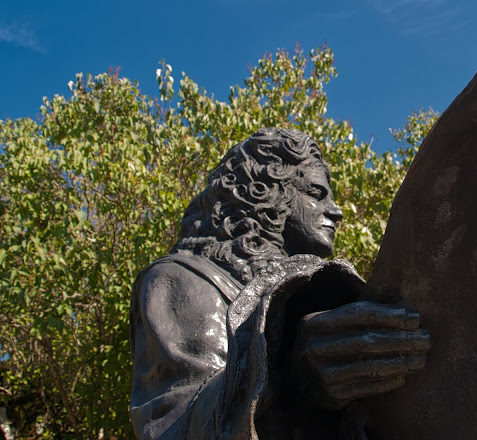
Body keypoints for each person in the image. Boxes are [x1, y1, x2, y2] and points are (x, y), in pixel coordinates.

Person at [129, 128, 431, 439]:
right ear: (268, 193)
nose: (336, 211)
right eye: (316, 193)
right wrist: (282, 368)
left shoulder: (304, 297)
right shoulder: (183, 280)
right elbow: (171, 422)